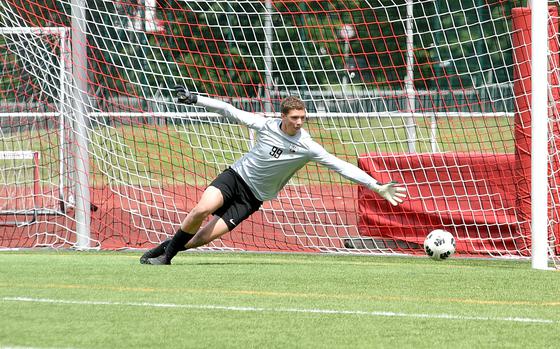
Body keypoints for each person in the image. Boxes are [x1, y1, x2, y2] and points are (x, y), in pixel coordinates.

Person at [140, 86, 407, 265]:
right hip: (234, 177)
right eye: (294, 118)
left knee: (202, 238)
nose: (299, 122)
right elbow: (229, 110)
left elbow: (341, 166)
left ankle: (164, 248)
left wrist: (377, 186)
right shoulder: (265, 125)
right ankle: (167, 257)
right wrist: (196, 99)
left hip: (252, 199)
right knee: (201, 209)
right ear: (283, 116)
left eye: (303, 117)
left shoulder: (308, 146)